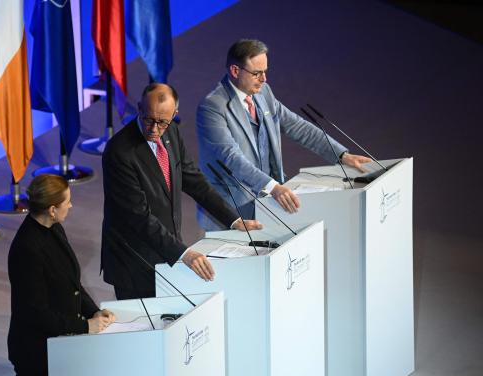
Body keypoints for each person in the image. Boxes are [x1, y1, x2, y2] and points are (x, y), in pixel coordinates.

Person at [101, 83, 262, 300]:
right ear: (139, 108)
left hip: (166, 250)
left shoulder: (172, 133)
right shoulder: (120, 151)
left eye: (162, 122)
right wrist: (183, 253)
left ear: (174, 115)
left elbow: (194, 181)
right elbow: (138, 216)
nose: (154, 129)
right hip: (134, 260)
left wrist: (233, 220)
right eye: (148, 119)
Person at [196, 38, 372, 229]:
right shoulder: (212, 107)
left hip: (269, 202)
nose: (264, 79)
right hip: (233, 211)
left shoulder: (263, 92)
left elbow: (297, 126)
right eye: (257, 73)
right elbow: (232, 158)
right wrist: (272, 187)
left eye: (265, 71)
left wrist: (340, 155)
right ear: (235, 70)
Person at [7, 174, 115, 376]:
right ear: (52, 209)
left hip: (60, 344)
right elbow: (35, 313)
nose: (72, 205)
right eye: (68, 201)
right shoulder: (27, 249)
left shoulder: (55, 229)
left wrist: (95, 311)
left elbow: (72, 284)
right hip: (35, 353)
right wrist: (86, 326)